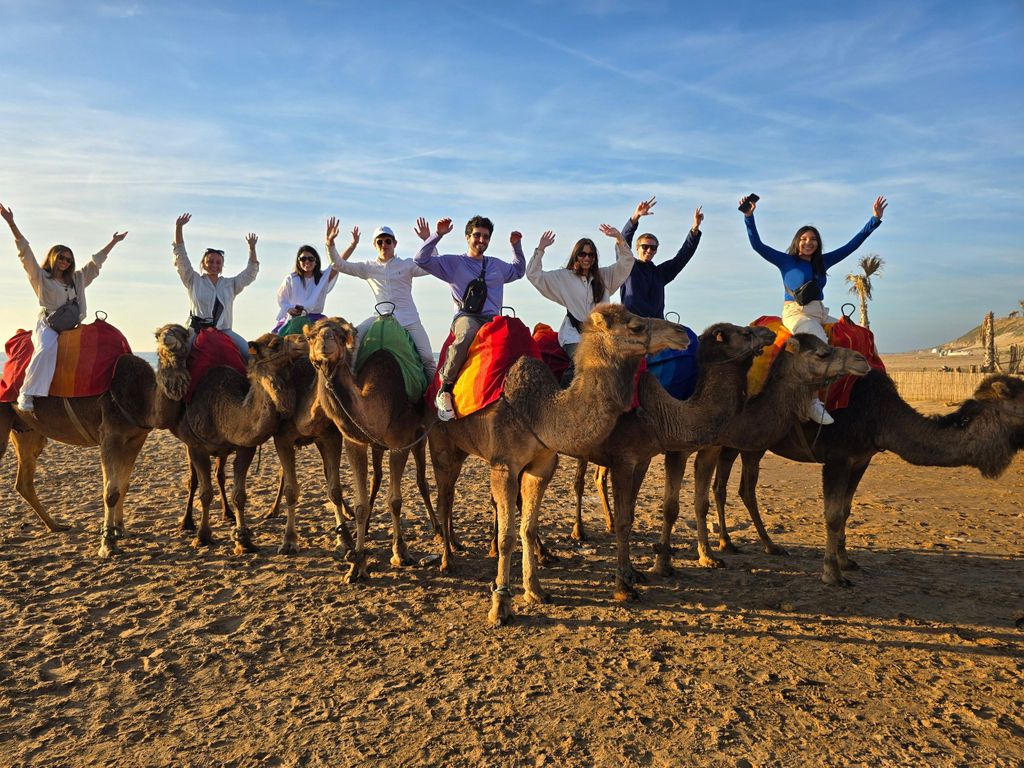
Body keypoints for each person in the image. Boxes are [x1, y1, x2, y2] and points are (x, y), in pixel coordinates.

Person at [742, 194, 888, 425]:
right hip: (796, 313)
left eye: (813, 239)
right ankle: (811, 401)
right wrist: (749, 217)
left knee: (860, 334)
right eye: (804, 239)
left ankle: (868, 390)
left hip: (819, 311)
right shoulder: (785, 261)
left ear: (817, 243)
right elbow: (757, 245)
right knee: (819, 344)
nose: (808, 242)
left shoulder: (823, 262)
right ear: (797, 241)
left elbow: (852, 245)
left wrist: (874, 220)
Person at [1, 201, 127, 413]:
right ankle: (27, 392)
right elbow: (25, 254)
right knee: (46, 349)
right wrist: (11, 223)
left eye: (69, 259)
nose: (65, 262)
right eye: (61, 257)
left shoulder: (77, 279)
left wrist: (113, 242)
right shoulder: (41, 278)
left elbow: (95, 263)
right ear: (53, 257)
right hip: (49, 324)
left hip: (72, 325)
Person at [415, 215, 527, 421]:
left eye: (486, 236)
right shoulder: (454, 263)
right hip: (467, 317)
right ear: (467, 237)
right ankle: (445, 389)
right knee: (467, 333)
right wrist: (437, 235)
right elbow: (421, 260)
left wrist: (516, 246)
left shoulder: (496, 265)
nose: (481, 240)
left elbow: (519, 271)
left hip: (493, 320)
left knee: (519, 334)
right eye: (477, 235)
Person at [328, 217, 436, 380]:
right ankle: (351, 381)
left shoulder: (406, 264)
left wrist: (428, 240)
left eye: (388, 241)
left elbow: (432, 265)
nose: (384, 245)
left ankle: (435, 397)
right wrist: (330, 244)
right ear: (374, 245)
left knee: (428, 358)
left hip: (408, 318)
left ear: (395, 243)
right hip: (380, 317)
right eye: (380, 242)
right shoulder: (368, 267)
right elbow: (338, 264)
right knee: (354, 338)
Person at [526, 224, 634, 369]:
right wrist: (540, 249)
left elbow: (627, 262)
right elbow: (534, 275)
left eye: (591, 255)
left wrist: (619, 239)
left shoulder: (605, 277)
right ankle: (566, 389)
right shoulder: (564, 277)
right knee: (587, 362)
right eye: (582, 254)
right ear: (575, 256)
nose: (587, 258)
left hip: (602, 336)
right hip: (574, 336)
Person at [173, 212, 259, 360]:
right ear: (203, 264)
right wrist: (178, 227)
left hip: (224, 331)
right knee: (176, 359)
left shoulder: (230, 284)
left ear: (222, 265)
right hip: (196, 332)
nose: (214, 265)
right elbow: (181, 257)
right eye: (210, 261)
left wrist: (252, 249)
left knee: (252, 356)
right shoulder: (193, 279)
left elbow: (250, 273)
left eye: (218, 262)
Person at [619, 196, 704, 318]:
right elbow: (623, 243)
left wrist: (695, 229)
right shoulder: (627, 267)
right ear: (637, 248)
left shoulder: (660, 273)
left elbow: (683, 257)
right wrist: (635, 217)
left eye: (653, 248)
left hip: (657, 327)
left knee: (688, 335)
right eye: (645, 246)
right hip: (631, 326)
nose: (649, 250)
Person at [272, 241, 338, 334]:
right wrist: (289, 309)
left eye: (310, 259)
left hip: (316, 319)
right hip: (294, 319)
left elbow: (338, 262)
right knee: (273, 343)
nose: (307, 261)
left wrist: (352, 245)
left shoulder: (323, 277)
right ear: (298, 262)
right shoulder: (291, 278)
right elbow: (282, 299)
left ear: (316, 261)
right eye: (303, 259)